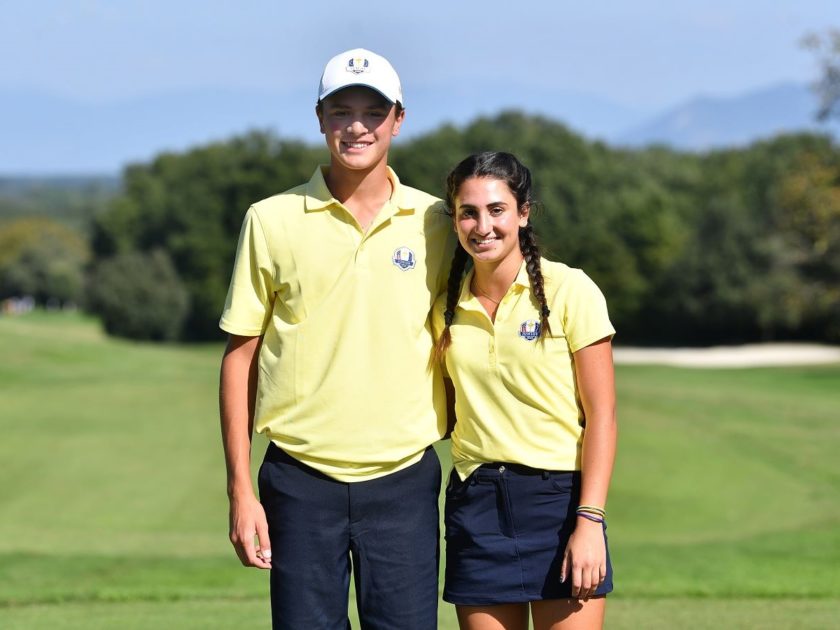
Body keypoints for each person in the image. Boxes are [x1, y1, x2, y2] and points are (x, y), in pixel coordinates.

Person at [218, 48, 453, 629]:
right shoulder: (271, 219)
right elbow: (240, 357)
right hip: (298, 481)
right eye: (340, 110)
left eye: (373, 112)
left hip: (403, 478)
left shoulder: (440, 222)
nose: (356, 126)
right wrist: (240, 492)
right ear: (319, 118)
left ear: (398, 120)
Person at [432, 152, 617, 630]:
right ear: (454, 220)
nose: (482, 225)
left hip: (559, 506)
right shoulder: (445, 308)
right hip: (477, 505)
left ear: (523, 213)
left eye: (496, 210)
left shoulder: (571, 290)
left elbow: (602, 416)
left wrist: (590, 520)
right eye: (468, 212)